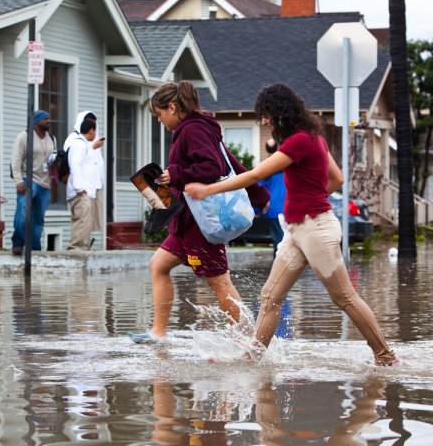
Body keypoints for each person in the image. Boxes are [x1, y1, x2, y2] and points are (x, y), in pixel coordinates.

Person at [185, 83, 397, 366]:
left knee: (344, 297)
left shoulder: (298, 141)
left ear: (278, 111)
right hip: (298, 231)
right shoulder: (314, 137)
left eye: (265, 115)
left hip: (316, 229)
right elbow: (337, 179)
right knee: (270, 296)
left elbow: (255, 174)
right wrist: (311, 197)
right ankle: (252, 357)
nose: (263, 121)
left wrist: (208, 190)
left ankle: (386, 356)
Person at [128, 81, 270, 344]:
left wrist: (176, 175)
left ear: (172, 107)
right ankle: (158, 333)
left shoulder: (192, 129)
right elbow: (231, 163)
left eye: (160, 115)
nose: (159, 120)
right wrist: (258, 194)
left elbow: (213, 167)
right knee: (158, 265)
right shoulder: (198, 128)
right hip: (186, 222)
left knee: (220, 284)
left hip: (200, 225)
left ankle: (249, 342)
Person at [11, 110, 56, 255]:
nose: (49, 121)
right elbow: (16, 160)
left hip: (45, 184)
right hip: (27, 180)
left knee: (38, 218)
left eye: (49, 119)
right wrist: (19, 181)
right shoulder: (24, 137)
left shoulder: (51, 138)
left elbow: (50, 160)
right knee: (23, 210)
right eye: (45, 119)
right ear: (36, 122)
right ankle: (18, 243)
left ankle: (35, 248)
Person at [64, 112, 105, 240]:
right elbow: (75, 165)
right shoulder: (78, 142)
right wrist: (79, 188)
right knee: (81, 221)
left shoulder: (85, 144)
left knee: (87, 222)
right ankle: (77, 250)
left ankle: (83, 248)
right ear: (90, 130)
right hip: (81, 190)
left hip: (88, 189)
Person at [254, 139, 286, 256]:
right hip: (291, 207)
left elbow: (260, 190)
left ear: (266, 149)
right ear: (277, 148)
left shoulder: (266, 167)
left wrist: (256, 210)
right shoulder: (287, 163)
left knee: (279, 241)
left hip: (274, 209)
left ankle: (281, 270)